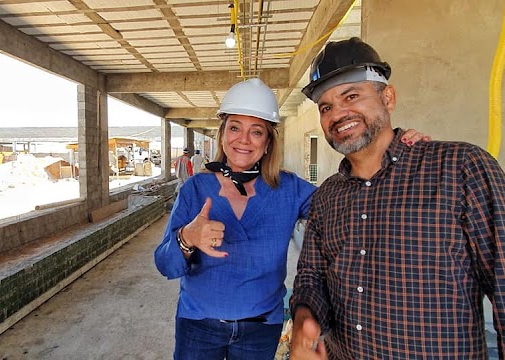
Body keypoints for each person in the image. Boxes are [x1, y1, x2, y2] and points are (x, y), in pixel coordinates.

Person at [154, 77, 429, 359]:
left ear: (269, 142)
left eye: (256, 131)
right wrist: (186, 238)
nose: (243, 140)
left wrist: (392, 153)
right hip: (198, 327)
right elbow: (166, 265)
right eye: (235, 127)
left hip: (260, 330)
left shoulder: (289, 189)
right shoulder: (195, 189)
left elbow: (351, 206)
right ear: (223, 133)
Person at [289, 37, 505, 359]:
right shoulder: (327, 197)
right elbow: (311, 276)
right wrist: (306, 318)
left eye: (352, 95)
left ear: (388, 97)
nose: (338, 113)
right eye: (326, 107)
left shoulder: (460, 169)